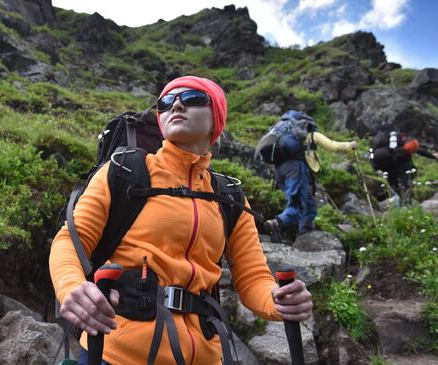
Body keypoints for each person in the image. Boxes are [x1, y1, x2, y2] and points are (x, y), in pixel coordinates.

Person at [49, 76, 313, 365]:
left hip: (206, 356)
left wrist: (278, 300)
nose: (175, 104)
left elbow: (252, 279)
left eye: (192, 98)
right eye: (165, 102)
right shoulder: (124, 171)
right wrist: (71, 285)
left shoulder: (229, 196)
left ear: (216, 119)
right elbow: (70, 240)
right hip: (117, 353)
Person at [264, 111, 358, 241]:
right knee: (297, 204)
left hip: (279, 171)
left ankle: (301, 233)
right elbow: (333, 146)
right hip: (295, 170)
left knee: (308, 204)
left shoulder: (281, 134)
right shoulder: (310, 134)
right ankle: (278, 223)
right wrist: (350, 145)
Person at [371, 129, 438, 206]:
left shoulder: (381, 145)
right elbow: (416, 149)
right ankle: (406, 207)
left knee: (397, 189)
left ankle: (400, 207)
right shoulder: (402, 146)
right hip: (403, 168)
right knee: (405, 188)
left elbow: (373, 157)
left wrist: (375, 168)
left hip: (389, 170)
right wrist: (432, 156)